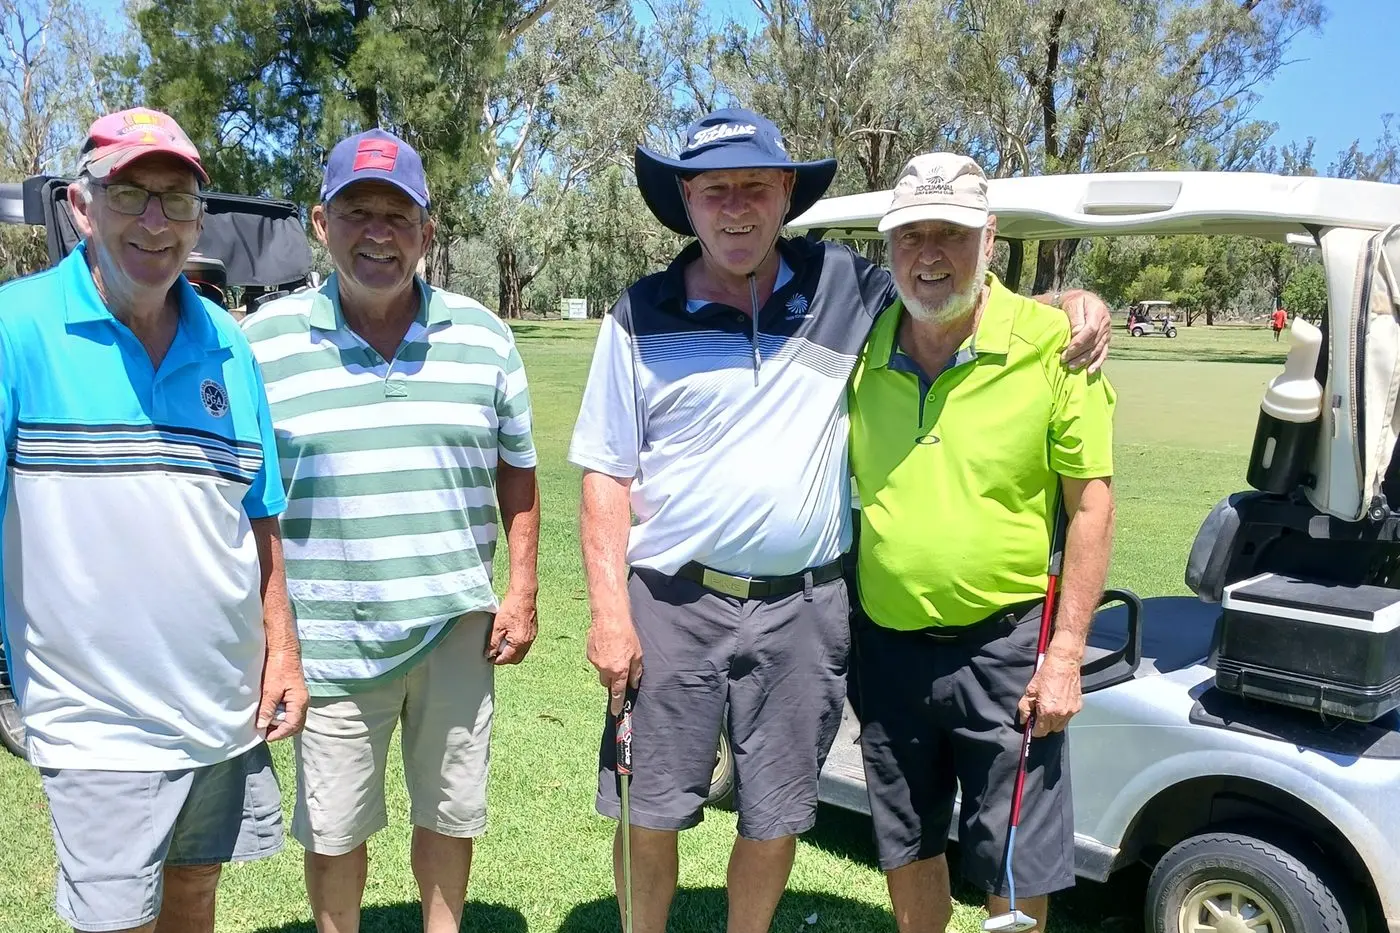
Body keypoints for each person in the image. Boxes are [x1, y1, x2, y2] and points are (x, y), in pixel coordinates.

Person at [567, 107, 1112, 933]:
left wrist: (1072, 302)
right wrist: (609, 613)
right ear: (687, 199)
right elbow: (605, 472)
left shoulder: (842, 287)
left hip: (804, 610)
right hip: (671, 604)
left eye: (757, 186)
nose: (738, 207)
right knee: (650, 804)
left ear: (787, 192)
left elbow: (956, 292)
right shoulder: (639, 313)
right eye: (717, 190)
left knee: (776, 811)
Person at [0, 107, 307, 933]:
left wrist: (282, 649)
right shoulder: (14, 330)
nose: (154, 222)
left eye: (175, 200)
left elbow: (260, 511)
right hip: (95, 721)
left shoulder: (225, 343)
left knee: (196, 894)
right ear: (81, 206)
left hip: (219, 705)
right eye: (131, 194)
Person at [241, 127, 541, 933]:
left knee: (450, 812)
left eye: (398, 214)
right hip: (328, 634)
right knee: (336, 829)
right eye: (357, 211)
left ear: (427, 232)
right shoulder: (261, 346)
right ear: (320, 222)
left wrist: (520, 588)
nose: (378, 231)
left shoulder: (484, 336)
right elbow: (243, 497)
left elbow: (518, 470)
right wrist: (270, 635)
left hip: (455, 624)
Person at [847, 152, 1117, 933]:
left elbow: (1090, 506)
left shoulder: (1053, 346)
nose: (928, 253)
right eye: (910, 235)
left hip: (1008, 647)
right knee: (907, 842)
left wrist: (1065, 655)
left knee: (1013, 855)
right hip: (888, 646)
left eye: (951, 233)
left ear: (989, 238)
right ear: (888, 244)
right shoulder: (861, 343)